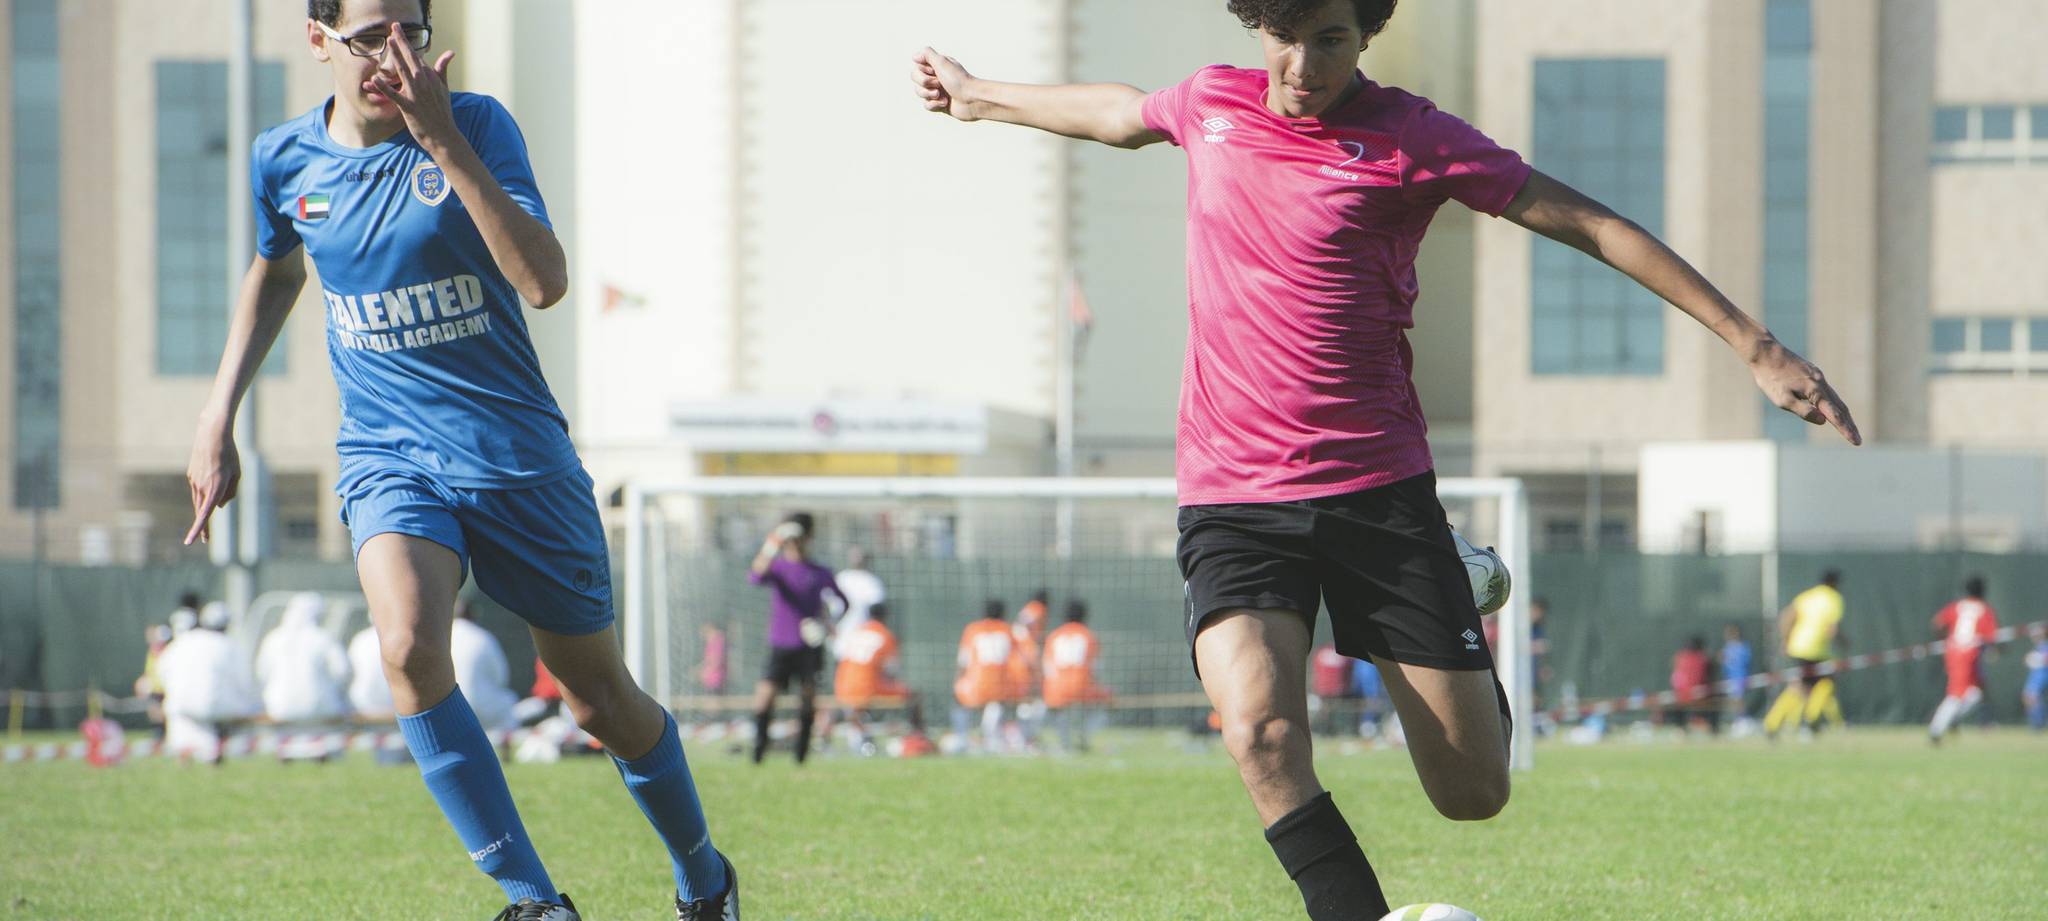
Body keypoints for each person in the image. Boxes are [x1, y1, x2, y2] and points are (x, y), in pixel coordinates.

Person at [914, 0, 1858, 913]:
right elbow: (1119, 113)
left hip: (1376, 493)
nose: (1304, 66)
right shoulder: (1211, 103)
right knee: (1260, 732)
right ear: (1258, 26)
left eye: (1331, 39)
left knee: (1472, 791)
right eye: (1285, 37)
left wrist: (1756, 345)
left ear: (1367, 33)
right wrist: (977, 96)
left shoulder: (1414, 136)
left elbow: (1590, 223)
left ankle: (1452, 577)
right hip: (1232, 493)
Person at [180, 3, 735, 916]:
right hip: (388, 454)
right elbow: (277, 267)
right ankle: (536, 901)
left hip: (516, 458)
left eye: (411, 30)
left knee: (599, 701)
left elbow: (545, 282)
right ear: (318, 39)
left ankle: (704, 875)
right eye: (370, 36)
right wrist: (217, 413)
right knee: (405, 646)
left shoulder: (475, 124)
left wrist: (442, 143)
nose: (393, 54)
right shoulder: (282, 159)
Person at [747, 513, 846, 765]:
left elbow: (843, 602)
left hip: (809, 647)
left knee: (807, 698)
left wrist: (827, 624)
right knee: (765, 696)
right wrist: (773, 542)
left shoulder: (820, 572)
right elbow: (756, 576)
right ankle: (758, 751)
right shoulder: (778, 567)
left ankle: (801, 755)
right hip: (781, 644)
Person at [157, 602, 260, 765]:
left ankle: (188, 753)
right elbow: (244, 681)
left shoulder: (183, 641)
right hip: (216, 707)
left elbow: (162, 672)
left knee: (185, 721)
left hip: (180, 706)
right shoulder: (228, 645)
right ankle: (222, 747)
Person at [832, 603, 925, 754]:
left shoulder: (856, 632)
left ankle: (860, 735)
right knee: (914, 695)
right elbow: (891, 671)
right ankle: (917, 736)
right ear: (885, 617)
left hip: (841, 686)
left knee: (854, 704)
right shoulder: (885, 635)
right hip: (867, 687)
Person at [1765, 571, 1848, 740]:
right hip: (1817, 649)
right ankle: (1811, 718)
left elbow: (1787, 616)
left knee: (1800, 686)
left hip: (1798, 646)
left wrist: (1785, 639)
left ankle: (1772, 723)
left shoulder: (1808, 596)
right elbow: (1832, 629)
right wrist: (1844, 643)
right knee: (1826, 682)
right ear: (1835, 583)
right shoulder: (1834, 598)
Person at [255, 591, 352, 723]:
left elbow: (261, 673)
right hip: (319, 709)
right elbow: (342, 671)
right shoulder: (322, 637)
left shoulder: (273, 638)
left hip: (279, 708)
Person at [1928, 576, 1999, 745]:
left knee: (1977, 693)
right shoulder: (1984, 610)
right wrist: (1994, 650)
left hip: (1956, 652)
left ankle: (1952, 719)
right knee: (1957, 694)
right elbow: (1991, 637)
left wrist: (1945, 640)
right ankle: (1936, 729)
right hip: (1967, 654)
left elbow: (1937, 623)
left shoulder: (1957, 606)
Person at [1043, 600, 1113, 753]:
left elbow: (1047, 667)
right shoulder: (1088, 636)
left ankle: (1064, 741)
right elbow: (1096, 668)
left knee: (1060, 710)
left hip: (1056, 689)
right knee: (1105, 703)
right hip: (1081, 686)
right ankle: (1083, 735)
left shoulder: (1054, 636)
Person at [953, 599, 1017, 753]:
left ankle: (961, 739)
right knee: (997, 704)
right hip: (999, 686)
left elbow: (963, 661)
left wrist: (957, 683)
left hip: (975, 685)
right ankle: (991, 738)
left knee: (959, 703)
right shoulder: (1007, 630)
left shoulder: (973, 629)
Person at [451, 598, 520, 733]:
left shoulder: (444, 640)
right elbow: (501, 677)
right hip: (484, 708)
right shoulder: (483, 637)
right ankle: (506, 743)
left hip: (453, 709)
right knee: (510, 699)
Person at [829, 548, 885, 664]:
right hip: (842, 634)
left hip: (863, 638)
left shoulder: (871, 581)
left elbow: (877, 611)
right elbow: (829, 603)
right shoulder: (842, 578)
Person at [347, 618, 396, 719]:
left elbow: (346, 671)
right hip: (391, 706)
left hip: (360, 704)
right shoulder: (394, 638)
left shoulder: (360, 638)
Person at [1668, 635, 1714, 734]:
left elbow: (1675, 679)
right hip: (1697, 696)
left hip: (1684, 696)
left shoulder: (1679, 657)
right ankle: (1711, 726)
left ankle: (1681, 728)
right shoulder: (1703, 658)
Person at [1719, 623, 1755, 731]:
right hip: (1729, 678)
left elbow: (1745, 662)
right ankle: (1738, 720)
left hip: (1739, 677)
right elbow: (1724, 661)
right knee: (1734, 701)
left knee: (1739, 700)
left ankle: (1743, 720)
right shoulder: (1727, 647)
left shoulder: (1743, 647)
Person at [2023, 627, 2048, 732]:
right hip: (2035, 676)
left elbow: (2044, 660)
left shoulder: (2045, 646)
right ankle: (2037, 723)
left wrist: (2037, 659)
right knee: (2029, 697)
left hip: (2042, 675)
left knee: (2032, 697)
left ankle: (2039, 724)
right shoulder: (2038, 647)